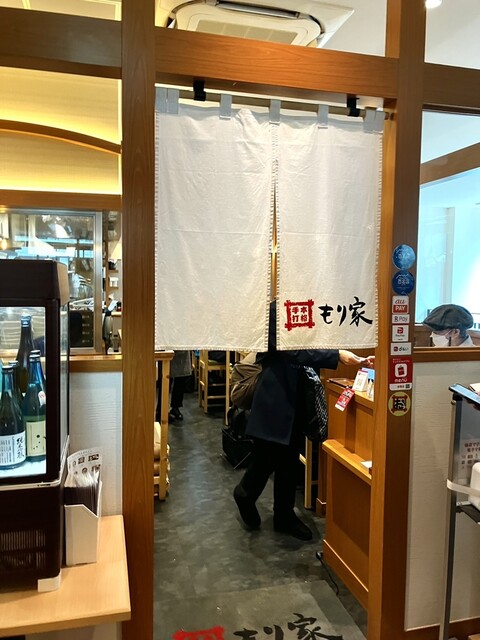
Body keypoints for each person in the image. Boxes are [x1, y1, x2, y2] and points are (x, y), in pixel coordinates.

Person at [233, 300, 374, 541]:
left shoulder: (309, 305)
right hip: (276, 391)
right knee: (268, 453)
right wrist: (337, 355)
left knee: (289, 457)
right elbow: (292, 350)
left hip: (297, 391)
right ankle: (245, 493)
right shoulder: (276, 310)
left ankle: (284, 516)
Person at [156, 350, 193, 423]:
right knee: (166, 378)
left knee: (181, 377)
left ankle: (175, 407)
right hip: (167, 348)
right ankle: (161, 410)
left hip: (182, 349)